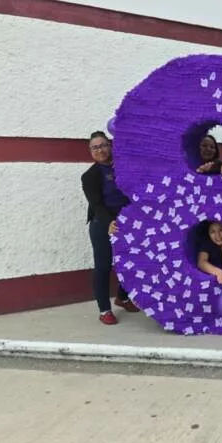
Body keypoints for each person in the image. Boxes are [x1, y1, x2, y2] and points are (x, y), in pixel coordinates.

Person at [81, 131, 139, 325]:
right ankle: (104, 309)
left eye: (103, 145)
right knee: (103, 266)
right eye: (95, 147)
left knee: (132, 263)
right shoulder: (89, 176)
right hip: (103, 224)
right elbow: (96, 203)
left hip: (129, 222)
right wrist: (110, 222)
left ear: (111, 146)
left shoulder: (125, 166)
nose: (100, 150)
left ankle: (122, 297)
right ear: (90, 151)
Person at [196, 220, 222, 285]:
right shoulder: (206, 242)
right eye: (212, 232)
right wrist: (219, 273)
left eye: (221, 230)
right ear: (208, 233)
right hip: (212, 279)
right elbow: (201, 262)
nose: (217, 235)